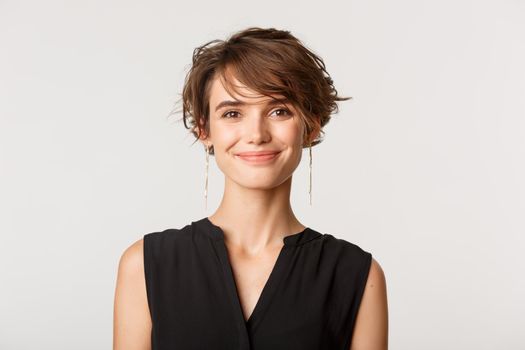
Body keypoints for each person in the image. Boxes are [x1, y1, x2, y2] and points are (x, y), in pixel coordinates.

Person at [113, 27, 388, 350]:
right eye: (232, 113)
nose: (256, 133)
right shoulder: (145, 265)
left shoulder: (357, 275)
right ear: (204, 128)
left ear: (310, 126)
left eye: (279, 111)